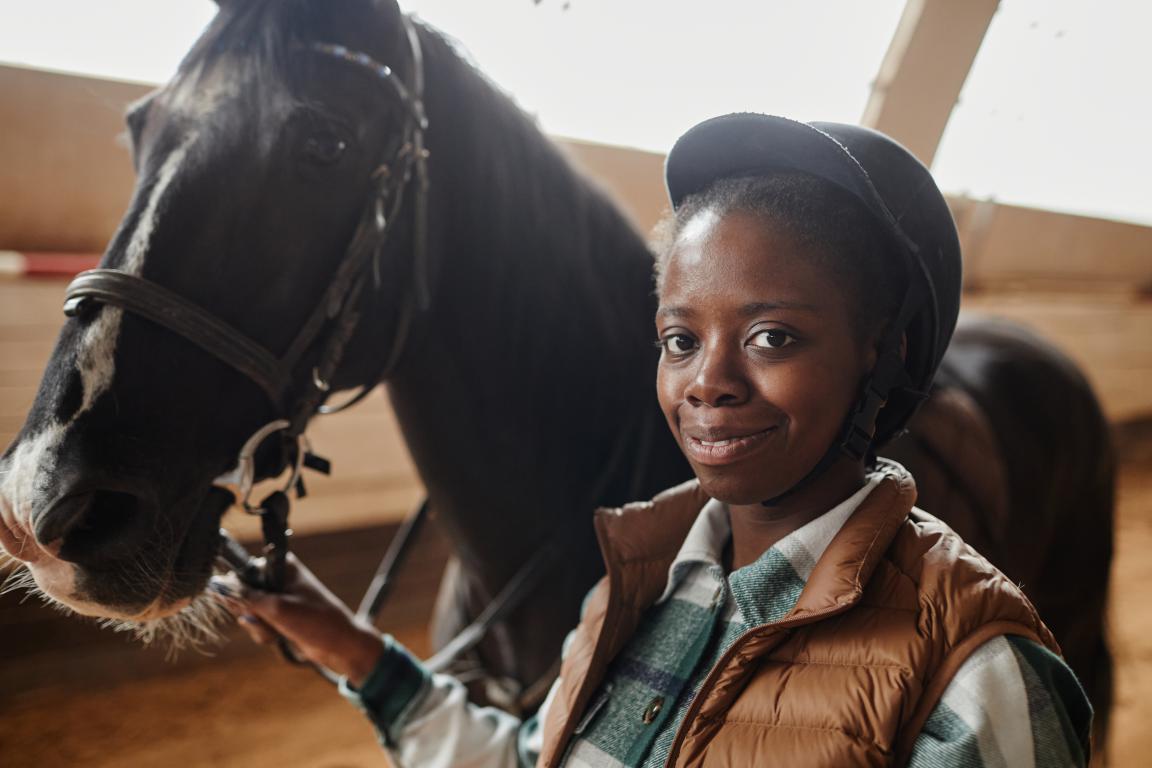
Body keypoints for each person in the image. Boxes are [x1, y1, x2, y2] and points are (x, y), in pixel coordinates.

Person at [218, 114, 1093, 766]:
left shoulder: (981, 682)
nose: (706, 381)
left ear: (883, 353)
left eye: (772, 336)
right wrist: (354, 651)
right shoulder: (636, 592)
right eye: (681, 340)